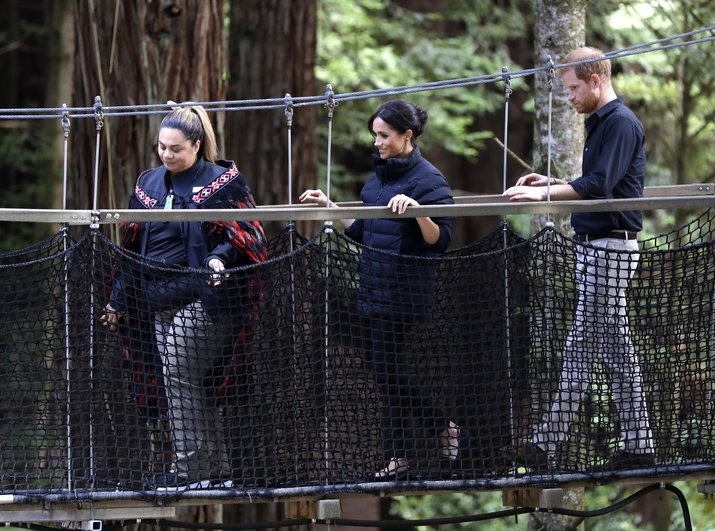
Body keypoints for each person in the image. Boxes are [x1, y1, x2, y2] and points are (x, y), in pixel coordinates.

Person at [503, 47, 655, 471]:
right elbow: (598, 181)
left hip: (611, 247)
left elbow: (600, 186)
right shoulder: (602, 124)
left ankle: (546, 444)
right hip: (597, 248)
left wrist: (542, 194)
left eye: (572, 87)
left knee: (583, 346)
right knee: (610, 349)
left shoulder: (621, 123)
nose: (568, 96)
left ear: (595, 81)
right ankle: (638, 446)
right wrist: (552, 182)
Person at [102, 103, 268, 488]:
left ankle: (190, 469)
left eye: (175, 148)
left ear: (196, 145)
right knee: (187, 381)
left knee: (178, 372)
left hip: (208, 300)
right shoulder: (148, 185)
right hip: (157, 301)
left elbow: (248, 236)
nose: (166, 154)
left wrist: (218, 259)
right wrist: (117, 299)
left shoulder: (223, 182)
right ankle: (217, 471)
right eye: (162, 147)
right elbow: (131, 249)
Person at [300, 99, 461, 479]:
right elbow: (361, 231)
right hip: (374, 287)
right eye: (375, 135)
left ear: (407, 136)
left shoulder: (429, 180)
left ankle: (440, 429)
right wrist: (331, 207)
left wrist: (418, 209)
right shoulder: (377, 181)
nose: (377, 143)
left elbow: (441, 240)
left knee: (384, 369)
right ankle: (401, 456)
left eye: (384, 136)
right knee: (385, 373)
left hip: (405, 290)